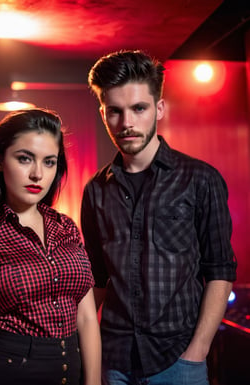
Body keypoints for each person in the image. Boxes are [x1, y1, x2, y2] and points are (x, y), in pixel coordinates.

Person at [81, 50, 237, 385]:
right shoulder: (95, 189)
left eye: (139, 108)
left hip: (178, 360)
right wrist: (84, 346)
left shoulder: (200, 179)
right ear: (103, 113)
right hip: (114, 358)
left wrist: (197, 351)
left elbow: (220, 270)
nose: (127, 123)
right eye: (115, 112)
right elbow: (96, 277)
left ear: (159, 109)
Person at [0, 108, 101, 385]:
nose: (37, 174)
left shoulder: (66, 227)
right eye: (24, 159)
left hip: (72, 370)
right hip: (7, 371)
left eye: (49, 162)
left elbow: (88, 318)